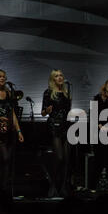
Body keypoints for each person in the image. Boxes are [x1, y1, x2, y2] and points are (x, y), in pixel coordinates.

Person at [0, 69, 24, 206]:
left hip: (9, 132)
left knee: (7, 161)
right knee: (3, 158)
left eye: (4, 76)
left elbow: (12, 114)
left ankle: (3, 188)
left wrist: (19, 131)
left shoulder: (8, 93)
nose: (3, 78)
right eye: (0, 76)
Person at [41, 69, 72, 197]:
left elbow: (67, 111)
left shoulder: (66, 92)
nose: (59, 78)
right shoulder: (48, 93)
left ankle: (63, 186)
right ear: (53, 79)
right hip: (54, 125)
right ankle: (53, 184)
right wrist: (47, 110)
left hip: (65, 125)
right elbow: (43, 112)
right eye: (57, 76)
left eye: (61, 75)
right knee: (59, 157)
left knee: (66, 159)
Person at [90, 77, 108, 192]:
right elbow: (93, 115)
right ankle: (92, 187)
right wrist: (100, 126)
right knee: (99, 160)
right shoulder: (97, 98)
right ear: (105, 84)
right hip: (99, 132)